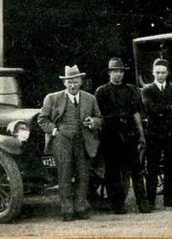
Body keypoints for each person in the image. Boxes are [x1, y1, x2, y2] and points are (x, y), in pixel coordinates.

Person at [36, 65, 101, 222]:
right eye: (69, 82)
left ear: (81, 82)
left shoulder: (90, 98)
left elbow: (99, 118)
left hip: (83, 140)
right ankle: (67, 210)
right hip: (62, 140)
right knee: (64, 175)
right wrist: (54, 131)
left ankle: (80, 207)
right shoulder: (52, 98)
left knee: (83, 175)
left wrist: (93, 122)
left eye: (75, 81)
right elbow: (42, 119)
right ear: (64, 83)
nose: (72, 85)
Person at [94, 58, 150, 213]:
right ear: (109, 73)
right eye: (115, 71)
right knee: (112, 172)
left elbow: (136, 113)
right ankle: (117, 205)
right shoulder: (101, 91)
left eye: (120, 71)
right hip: (110, 136)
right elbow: (98, 116)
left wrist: (141, 134)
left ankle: (142, 203)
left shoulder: (131, 90)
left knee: (136, 170)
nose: (118, 75)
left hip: (129, 135)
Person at [140, 59, 172, 208]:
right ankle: (150, 200)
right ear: (153, 73)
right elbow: (150, 108)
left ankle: (169, 198)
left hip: (170, 134)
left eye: (163, 72)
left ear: (167, 73)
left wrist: (165, 110)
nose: (160, 75)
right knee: (152, 167)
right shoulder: (147, 90)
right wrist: (169, 108)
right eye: (157, 72)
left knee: (171, 166)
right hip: (154, 134)